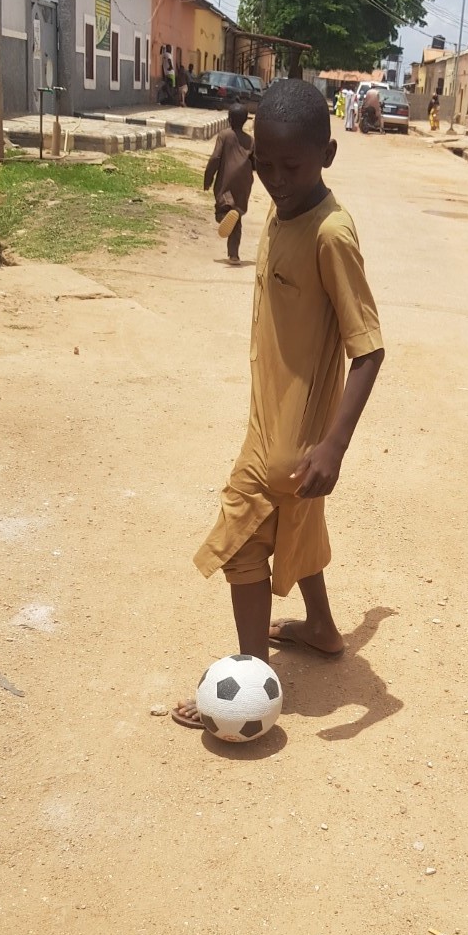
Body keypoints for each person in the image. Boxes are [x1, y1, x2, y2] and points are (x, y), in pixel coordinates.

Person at [173, 80, 385, 730]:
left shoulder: (331, 235)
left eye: (291, 166)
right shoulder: (280, 206)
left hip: (291, 443)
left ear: (328, 154)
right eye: (265, 165)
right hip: (270, 415)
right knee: (297, 524)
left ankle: (247, 686)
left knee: (243, 539)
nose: (276, 180)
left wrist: (334, 445)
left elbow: (369, 349)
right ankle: (321, 627)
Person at [203, 104, 254, 265]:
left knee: (223, 209)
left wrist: (208, 177)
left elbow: (215, 158)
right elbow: (256, 163)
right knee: (236, 216)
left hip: (227, 179)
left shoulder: (224, 135)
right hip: (244, 182)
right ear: (245, 120)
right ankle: (234, 255)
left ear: (229, 119)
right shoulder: (250, 140)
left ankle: (224, 217)